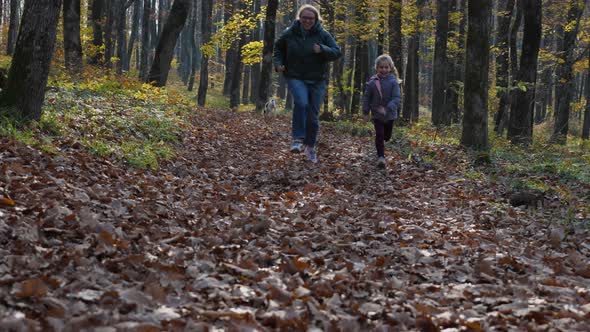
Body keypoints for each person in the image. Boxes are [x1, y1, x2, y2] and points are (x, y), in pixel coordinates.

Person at [273, 4, 341, 163]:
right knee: (301, 102)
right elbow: (278, 49)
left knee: (313, 116)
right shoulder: (290, 33)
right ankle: (297, 139)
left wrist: (323, 49)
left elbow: (337, 52)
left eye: (311, 18)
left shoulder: (323, 34)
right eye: (304, 18)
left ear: (316, 19)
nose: (307, 21)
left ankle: (310, 147)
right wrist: (278, 64)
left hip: (317, 79)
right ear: (299, 18)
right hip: (295, 76)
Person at [362, 54, 401, 168]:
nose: (383, 70)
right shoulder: (372, 82)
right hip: (377, 115)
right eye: (381, 67)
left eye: (386, 67)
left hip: (390, 115)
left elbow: (397, 98)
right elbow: (366, 97)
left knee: (386, 136)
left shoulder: (394, 82)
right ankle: (381, 157)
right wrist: (366, 112)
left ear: (390, 68)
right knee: (379, 134)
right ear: (377, 68)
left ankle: (383, 143)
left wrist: (388, 107)